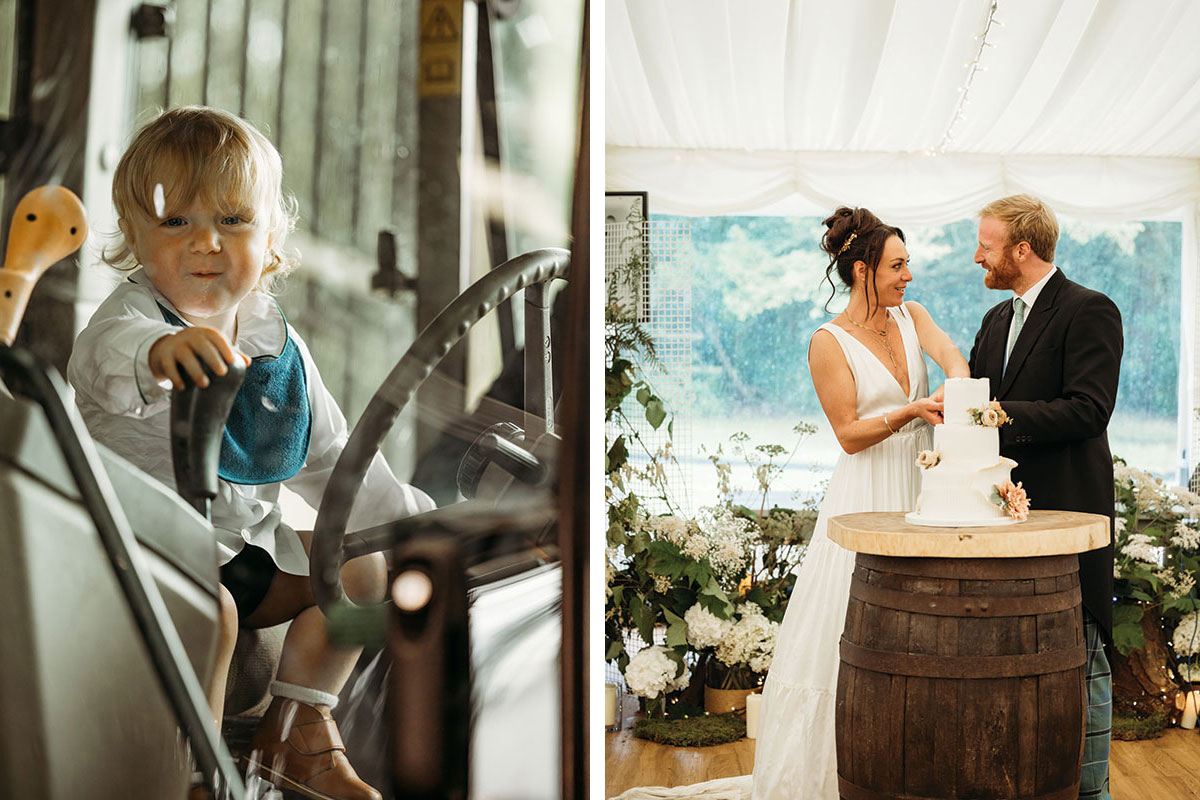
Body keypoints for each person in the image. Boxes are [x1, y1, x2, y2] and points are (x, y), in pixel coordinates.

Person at [66, 106, 434, 800]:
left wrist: (425, 529)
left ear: (269, 240)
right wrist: (159, 353)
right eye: (175, 222)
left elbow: (335, 461)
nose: (205, 241)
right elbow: (102, 364)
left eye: (232, 220)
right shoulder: (129, 325)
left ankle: (296, 728)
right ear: (135, 237)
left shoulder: (276, 344)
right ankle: (195, 776)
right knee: (217, 614)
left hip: (247, 554)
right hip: (135, 561)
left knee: (360, 568)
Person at [746, 206, 967, 800]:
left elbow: (954, 358)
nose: (908, 276)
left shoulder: (912, 315)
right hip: (867, 488)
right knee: (849, 618)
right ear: (863, 269)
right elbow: (847, 431)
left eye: (909, 263)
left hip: (924, 484)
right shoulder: (828, 342)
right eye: (897, 265)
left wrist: (954, 385)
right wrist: (912, 411)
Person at [969, 194, 1121, 800]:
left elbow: (1090, 409)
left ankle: (1092, 791)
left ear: (1022, 249)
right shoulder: (995, 320)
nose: (976, 256)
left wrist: (999, 413)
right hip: (999, 519)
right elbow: (977, 400)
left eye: (986, 244)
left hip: (1067, 512)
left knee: (1083, 649)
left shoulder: (1090, 310)